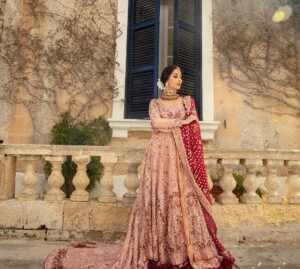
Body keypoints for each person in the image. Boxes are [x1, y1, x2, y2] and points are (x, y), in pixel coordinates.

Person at [44, 65, 235, 269]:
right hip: (158, 155)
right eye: (176, 76)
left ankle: (181, 249)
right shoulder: (155, 103)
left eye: (181, 77)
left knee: (180, 199)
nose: (180, 80)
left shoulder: (187, 102)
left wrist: (178, 122)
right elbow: (156, 123)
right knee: (160, 196)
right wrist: (181, 121)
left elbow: (193, 123)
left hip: (180, 158)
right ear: (166, 80)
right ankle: (158, 249)